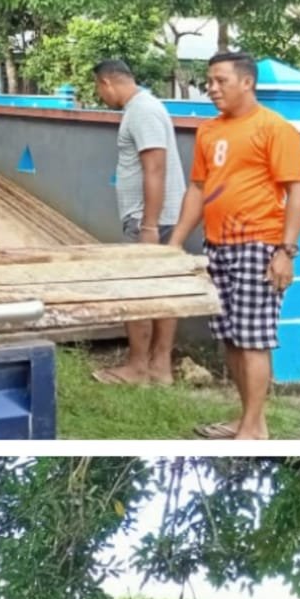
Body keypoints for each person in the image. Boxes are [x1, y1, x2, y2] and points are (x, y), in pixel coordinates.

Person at [168, 51, 300, 440]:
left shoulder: (274, 128)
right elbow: (198, 188)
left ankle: (251, 428)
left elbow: (297, 192)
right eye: (209, 81)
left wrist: (285, 251)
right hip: (217, 246)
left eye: (220, 81)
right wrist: (176, 242)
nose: (211, 88)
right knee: (229, 337)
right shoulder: (209, 131)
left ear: (247, 82)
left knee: (253, 340)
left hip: (258, 246)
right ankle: (250, 422)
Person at [92, 60, 188, 387]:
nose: (99, 95)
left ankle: (137, 368)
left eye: (97, 88)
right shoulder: (148, 106)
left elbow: (155, 168)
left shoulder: (141, 111)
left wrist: (148, 224)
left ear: (107, 82)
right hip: (162, 217)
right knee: (163, 290)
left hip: (149, 220)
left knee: (138, 290)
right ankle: (159, 368)